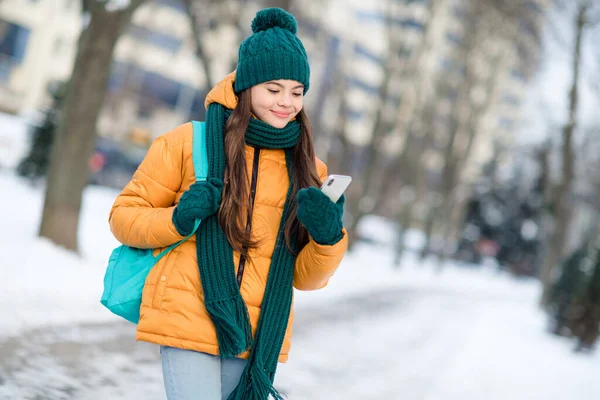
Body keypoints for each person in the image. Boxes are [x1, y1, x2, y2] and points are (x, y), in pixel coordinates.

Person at [108, 7, 348, 400]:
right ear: (246, 86)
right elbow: (123, 217)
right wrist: (179, 218)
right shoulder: (189, 143)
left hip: (254, 334)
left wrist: (327, 238)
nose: (287, 102)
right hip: (189, 315)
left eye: (297, 92)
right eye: (274, 89)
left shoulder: (309, 170)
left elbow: (305, 278)